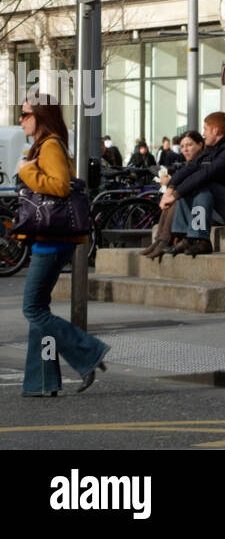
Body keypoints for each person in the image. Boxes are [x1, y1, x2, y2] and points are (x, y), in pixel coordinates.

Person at [13, 97, 110, 396]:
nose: (21, 119)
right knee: (39, 310)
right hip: (51, 240)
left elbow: (59, 186)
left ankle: (88, 351)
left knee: (33, 308)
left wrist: (26, 170)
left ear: (39, 116)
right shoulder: (43, 145)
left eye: (25, 113)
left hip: (53, 241)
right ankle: (41, 381)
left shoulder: (51, 145)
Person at [160, 112, 225, 256]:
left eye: (205, 129)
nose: (203, 134)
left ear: (215, 130)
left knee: (203, 184)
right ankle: (187, 237)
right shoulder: (212, 149)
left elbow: (207, 173)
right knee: (190, 186)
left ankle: (200, 239)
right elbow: (189, 168)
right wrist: (170, 189)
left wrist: (175, 195)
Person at [140, 130, 203, 259]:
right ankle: (159, 240)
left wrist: (171, 187)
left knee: (176, 196)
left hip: (204, 211)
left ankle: (164, 240)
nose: (185, 150)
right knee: (173, 195)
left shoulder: (204, 161)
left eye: (189, 145)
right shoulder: (190, 163)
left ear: (200, 145)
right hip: (194, 208)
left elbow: (192, 184)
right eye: (183, 147)